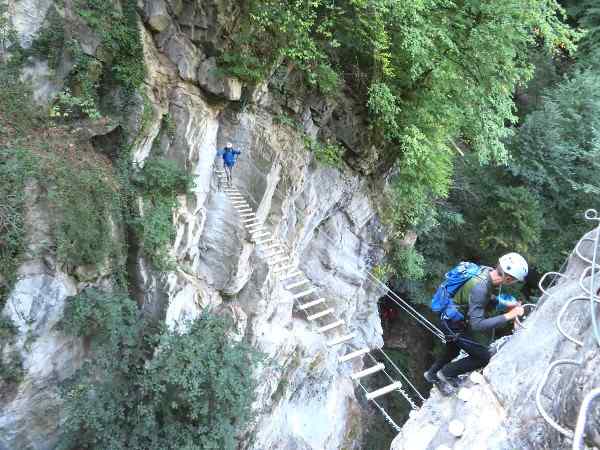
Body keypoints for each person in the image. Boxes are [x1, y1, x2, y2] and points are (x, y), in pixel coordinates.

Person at [424, 252, 528, 395]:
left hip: (449, 317)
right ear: (509, 279)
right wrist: (510, 315)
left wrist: (506, 303)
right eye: (515, 281)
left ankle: (432, 374)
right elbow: (477, 324)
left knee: (452, 349)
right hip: (453, 324)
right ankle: (446, 374)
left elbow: (482, 298)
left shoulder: (485, 272)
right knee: (483, 357)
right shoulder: (481, 287)